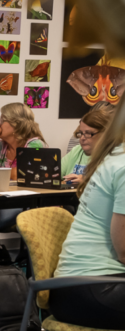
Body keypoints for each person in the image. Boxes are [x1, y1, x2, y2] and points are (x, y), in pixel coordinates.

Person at [50, 122, 125, 329]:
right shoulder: (122, 166)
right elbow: (124, 252)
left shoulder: (112, 159)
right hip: (91, 289)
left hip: (75, 287)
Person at [0, 103, 47, 250]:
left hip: (25, 203)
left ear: (16, 125)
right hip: (1, 200)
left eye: (1, 120)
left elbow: (21, 174)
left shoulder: (35, 145)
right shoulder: (1, 146)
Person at [62, 106, 114, 184]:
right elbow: (54, 173)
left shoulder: (113, 156)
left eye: (89, 133)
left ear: (104, 134)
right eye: (81, 133)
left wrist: (86, 181)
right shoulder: (76, 150)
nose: (82, 138)